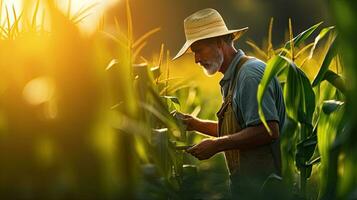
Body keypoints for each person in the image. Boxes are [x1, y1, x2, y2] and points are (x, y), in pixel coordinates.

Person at [173, 8, 286, 198]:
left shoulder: (249, 75)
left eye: (199, 50)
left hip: (266, 189)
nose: (196, 59)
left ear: (219, 42)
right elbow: (241, 130)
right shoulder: (233, 77)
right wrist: (194, 124)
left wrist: (217, 145)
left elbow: (267, 130)